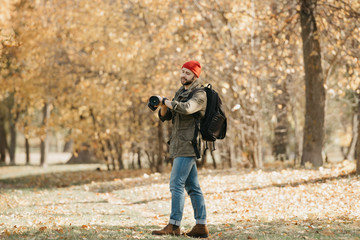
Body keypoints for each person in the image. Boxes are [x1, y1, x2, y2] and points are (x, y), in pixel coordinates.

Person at [151, 60, 209, 238]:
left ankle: (174, 225)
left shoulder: (200, 94)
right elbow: (167, 116)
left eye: (188, 73)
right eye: (182, 72)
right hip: (178, 144)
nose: (183, 75)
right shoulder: (180, 92)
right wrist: (162, 105)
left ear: (195, 76)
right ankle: (201, 226)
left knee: (176, 184)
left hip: (189, 145)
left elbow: (186, 108)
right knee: (193, 187)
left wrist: (166, 101)